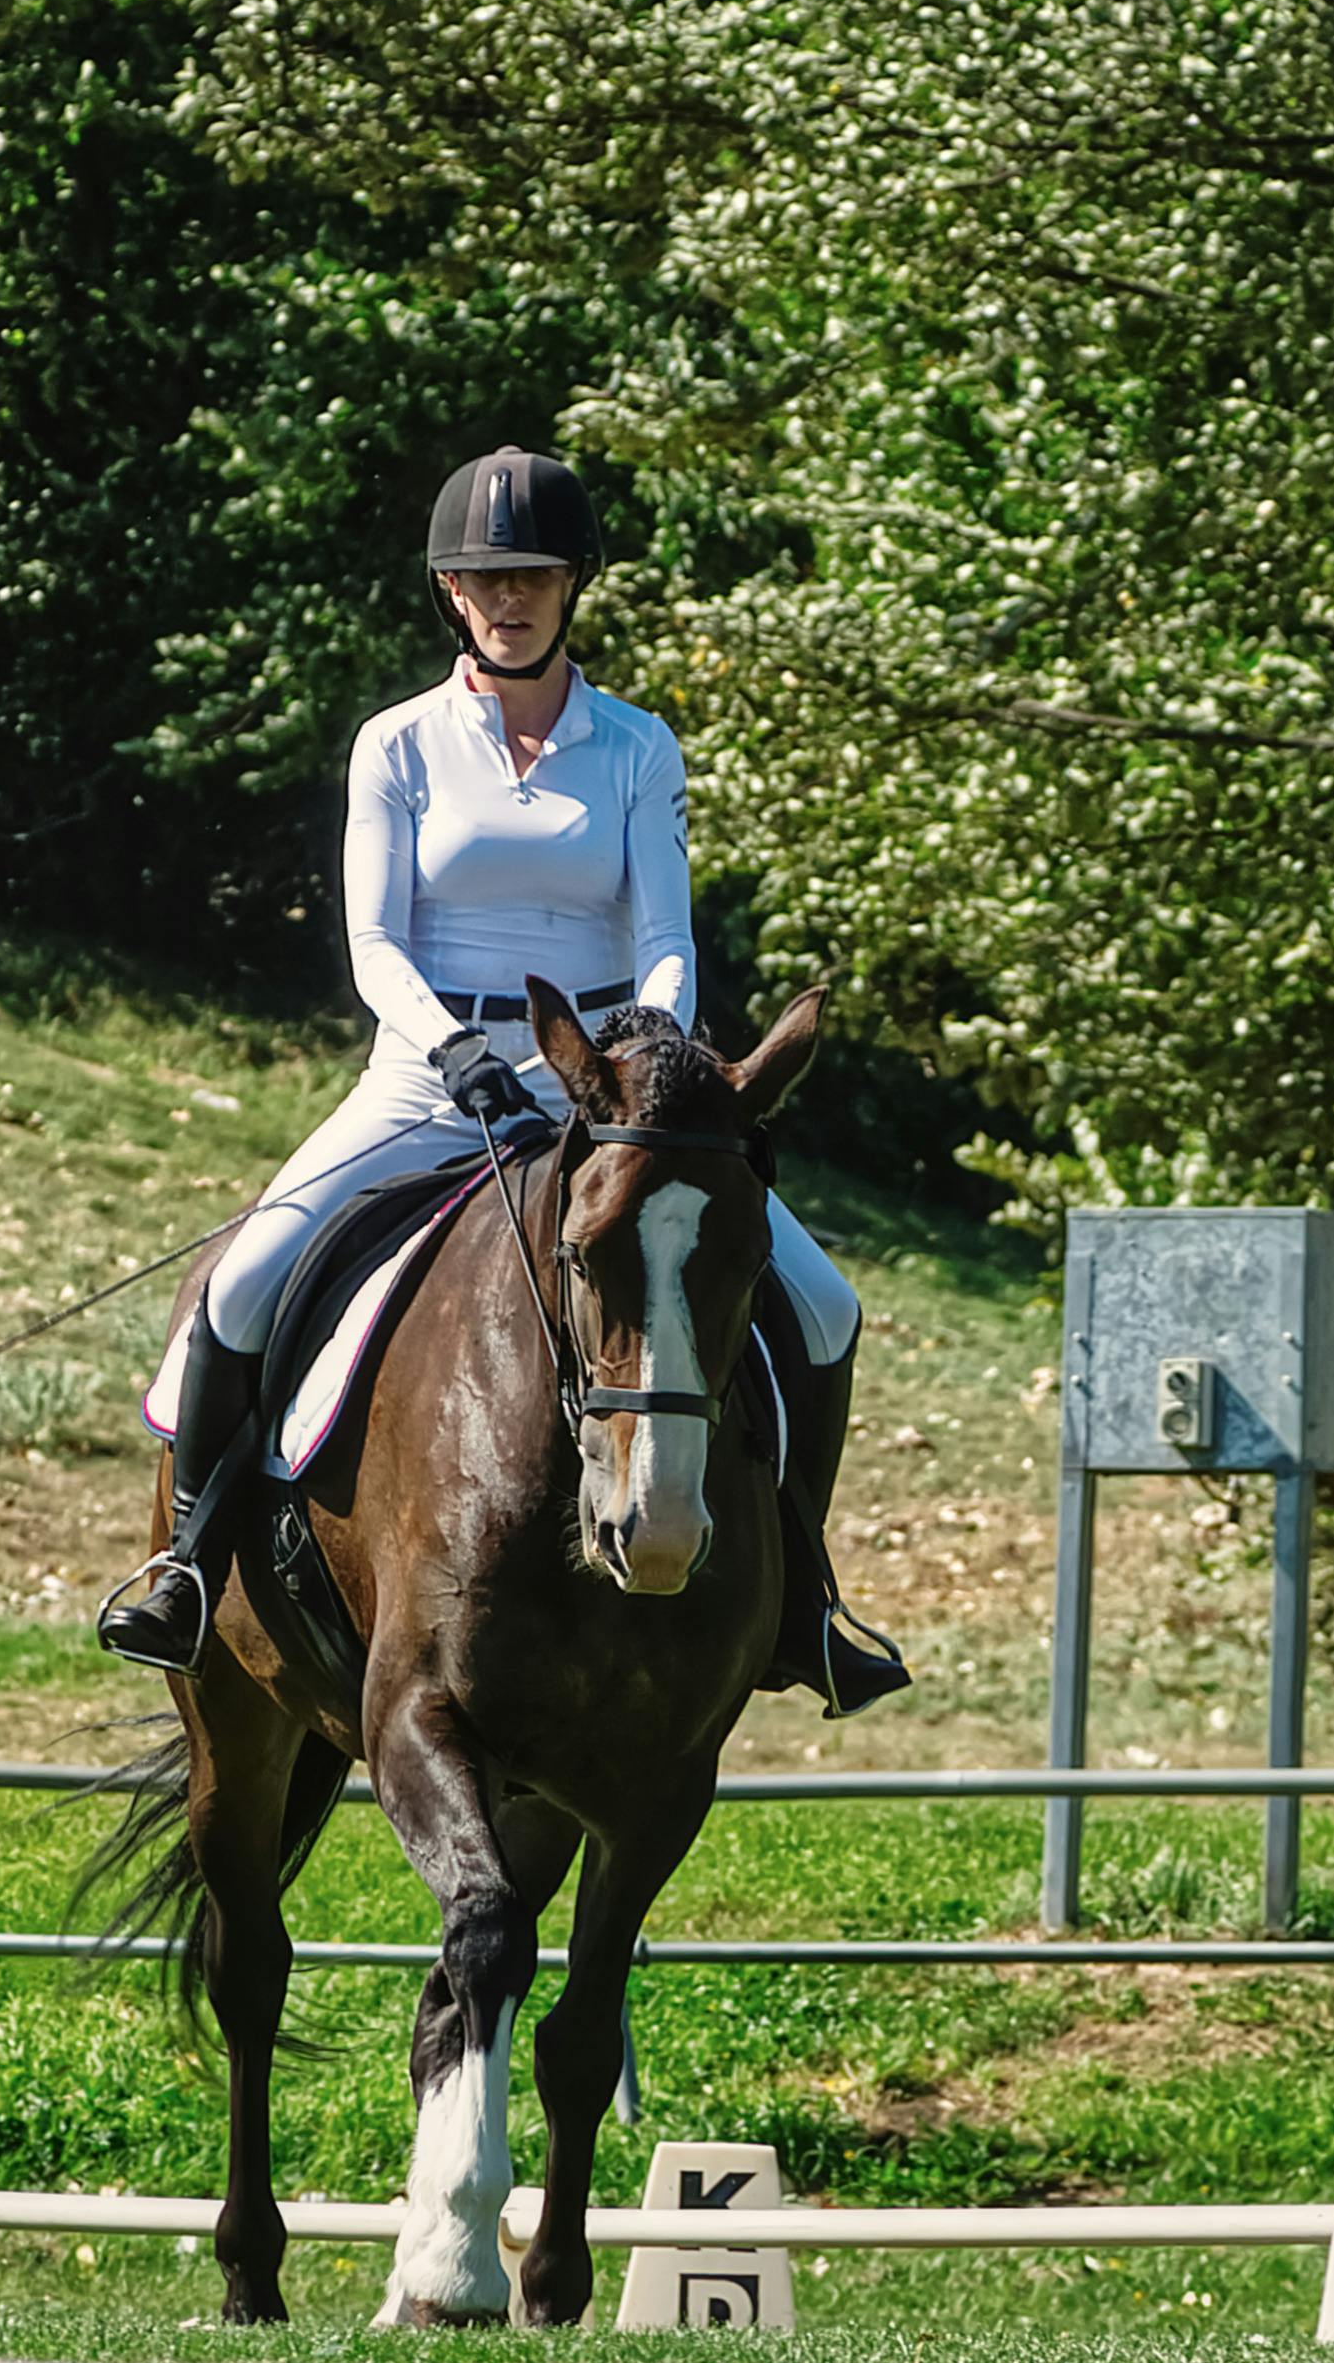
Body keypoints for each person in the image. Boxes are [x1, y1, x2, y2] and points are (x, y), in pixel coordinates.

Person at [99, 447, 904, 1710]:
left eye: (529, 574)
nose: (506, 598)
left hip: (608, 1090)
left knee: (824, 1305)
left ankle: (804, 1596)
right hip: (430, 1078)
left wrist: (643, 1063)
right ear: (449, 593)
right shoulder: (399, 744)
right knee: (243, 1281)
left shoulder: (636, 747)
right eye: (480, 579)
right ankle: (187, 1564)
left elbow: (665, 938)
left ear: (571, 584)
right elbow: (374, 941)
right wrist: (458, 1054)